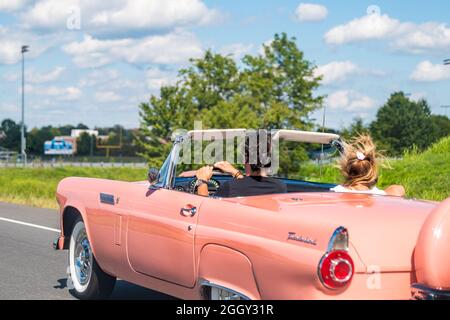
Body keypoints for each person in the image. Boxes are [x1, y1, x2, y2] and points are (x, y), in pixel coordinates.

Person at [195, 131, 287, 197]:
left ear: (245, 158)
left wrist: (202, 181)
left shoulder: (230, 187)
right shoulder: (280, 187)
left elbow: (206, 209)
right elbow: (252, 186)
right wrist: (236, 173)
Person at [331, 134, 405, 196]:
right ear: (372, 174)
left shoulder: (335, 192)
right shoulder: (378, 195)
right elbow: (400, 189)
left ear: (346, 172)